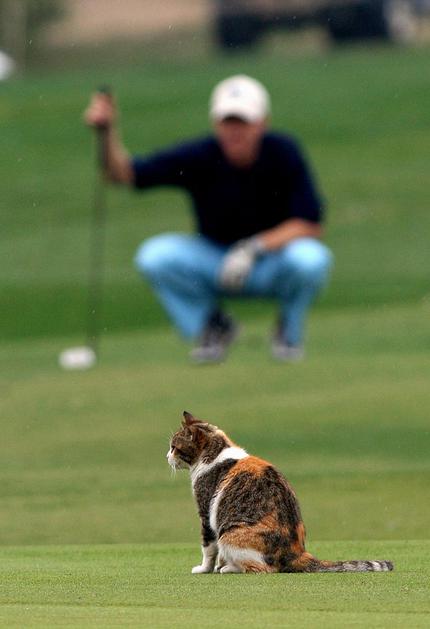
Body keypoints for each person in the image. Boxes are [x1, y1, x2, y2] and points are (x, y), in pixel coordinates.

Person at [84, 75, 333, 363]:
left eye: (243, 122)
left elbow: (309, 224)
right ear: (216, 123)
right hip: (214, 260)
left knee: (312, 258)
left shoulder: (283, 152)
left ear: (263, 123)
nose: (234, 131)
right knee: (155, 256)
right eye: (227, 122)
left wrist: (253, 248)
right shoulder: (200, 156)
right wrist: (106, 133)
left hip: (270, 261)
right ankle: (213, 327)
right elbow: (123, 174)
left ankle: (287, 331)